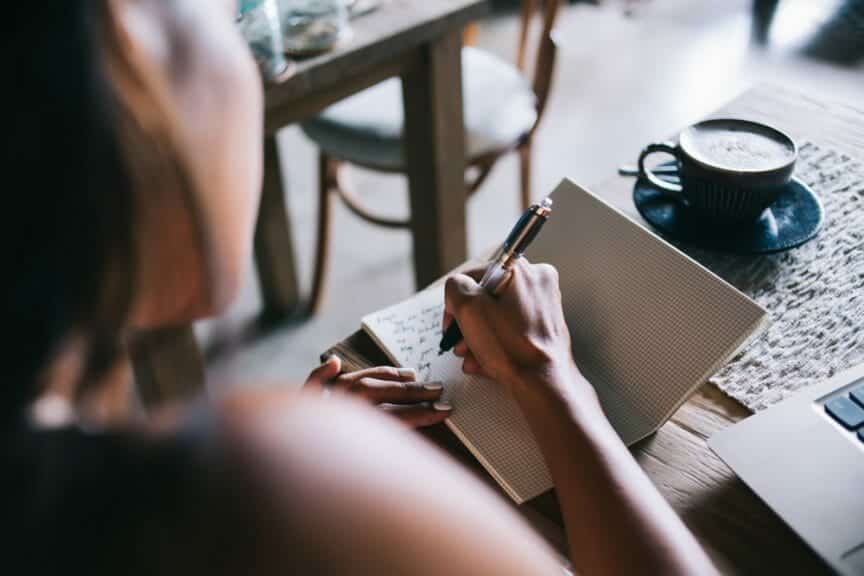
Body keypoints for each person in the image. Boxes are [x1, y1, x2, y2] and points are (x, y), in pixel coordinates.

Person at [6, 1, 717, 574]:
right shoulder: (248, 480)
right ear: (119, 86)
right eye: (230, 18)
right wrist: (549, 377)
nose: (258, 69)